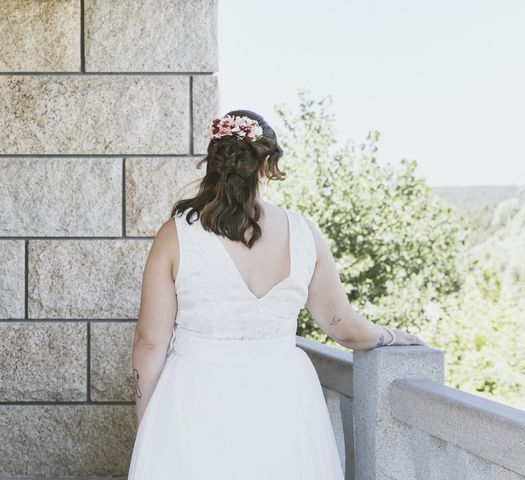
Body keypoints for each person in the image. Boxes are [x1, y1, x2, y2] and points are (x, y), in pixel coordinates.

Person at [127, 110, 428, 479]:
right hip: (284, 397)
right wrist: (393, 336)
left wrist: (149, 422)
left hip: (196, 396)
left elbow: (149, 344)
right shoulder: (304, 234)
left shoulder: (175, 235)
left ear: (214, 161)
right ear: (267, 165)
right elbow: (342, 326)